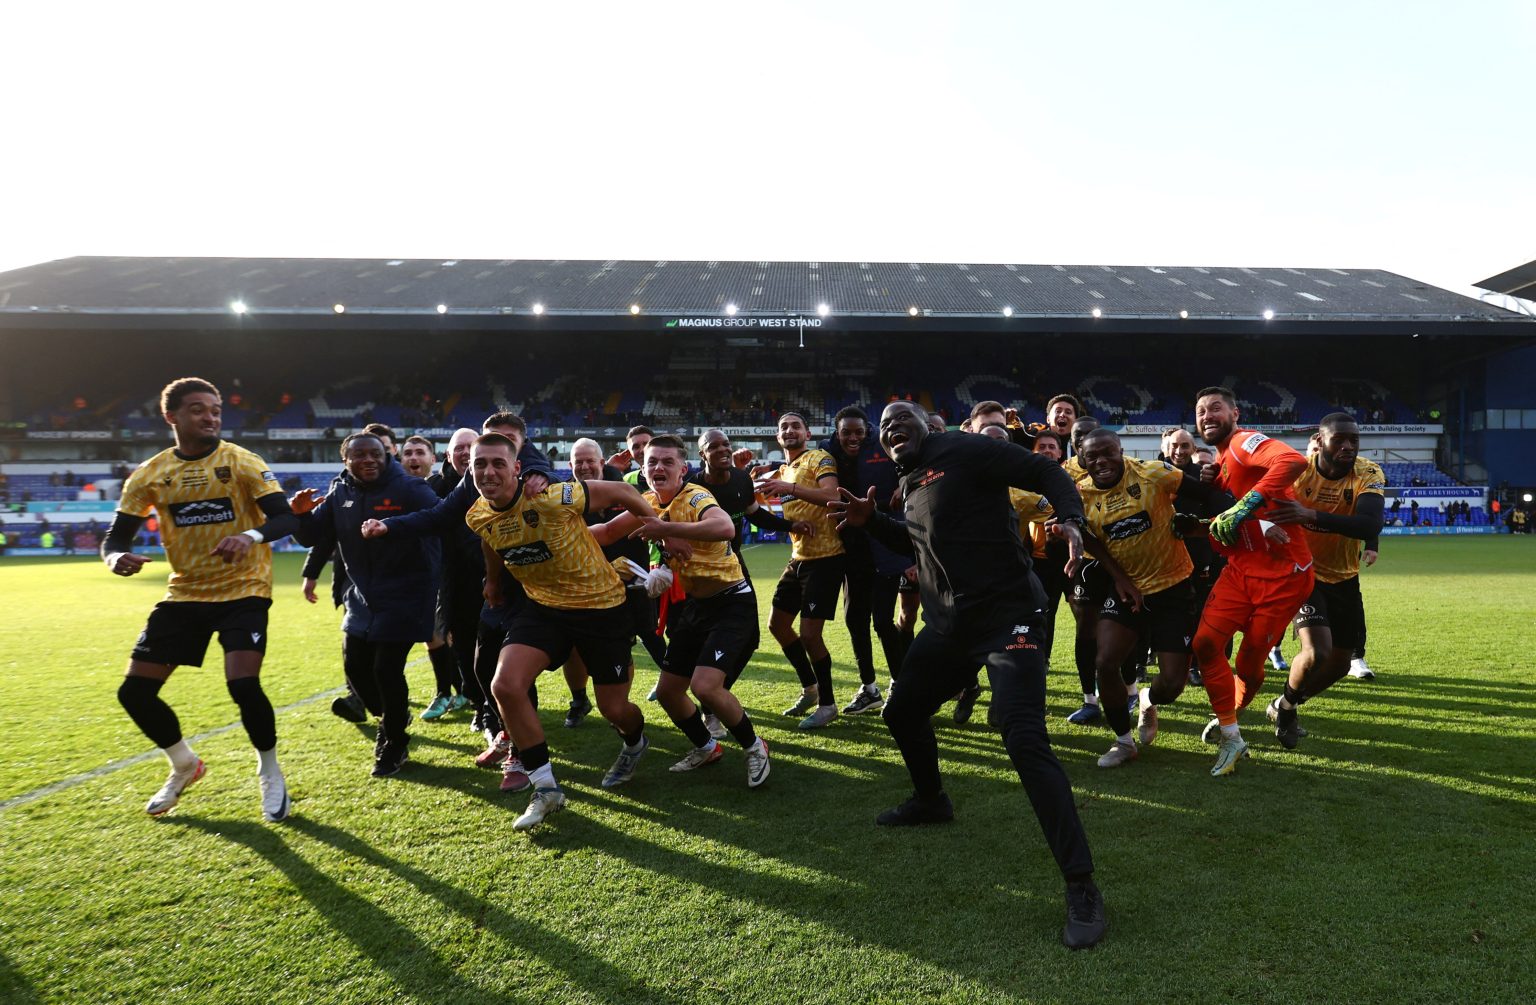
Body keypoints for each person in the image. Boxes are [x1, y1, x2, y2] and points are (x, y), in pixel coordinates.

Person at [831, 400, 1105, 950]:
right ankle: (931, 800)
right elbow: (920, 542)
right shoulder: (908, 481)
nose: (890, 429)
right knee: (902, 710)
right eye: (885, 428)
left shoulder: (962, 448)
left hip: (1010, 615)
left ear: (926, 425)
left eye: (899, 419)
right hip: (952, 624)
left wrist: (1071, 521)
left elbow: (1045, 471)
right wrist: (872, 522)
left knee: (1023, 738)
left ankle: (1081, 885)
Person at [101, 377, 298, 821]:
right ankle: (184, 764)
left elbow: (286, 519)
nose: (209, 417)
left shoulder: (242, 461)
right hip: (185, 592)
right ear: (171, 417)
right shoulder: (149, 475)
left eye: (215, 409)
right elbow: (115, 538)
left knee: (243, 683)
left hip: (244, 587)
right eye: (197, 409)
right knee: (134, 693)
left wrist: (248, 535)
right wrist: (115, 557)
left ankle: (269, 771)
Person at [467, 433, 664, 830]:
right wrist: (492, 580)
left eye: (497, 463)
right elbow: (490, 539)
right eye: (480, 464)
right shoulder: (476, 514)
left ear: (517, 469)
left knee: (615, 709)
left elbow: (626, 490)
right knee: (505, 685)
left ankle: (634, 741)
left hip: (602, 608)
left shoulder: (554, 496)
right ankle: (546, 789)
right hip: (543, 608)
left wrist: (661, 530)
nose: (488, 472)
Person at [593, 436, 771, 786]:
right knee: (670, 691)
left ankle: (755, 747)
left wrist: (665, 528)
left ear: (683, 469)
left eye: (667, 462)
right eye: (652, 461)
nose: (658, 467)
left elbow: (725, 527)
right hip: (697, 606)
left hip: (732, 601)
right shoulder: (646, 502)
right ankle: (706, 747)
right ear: (643, 470)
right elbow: (607, 531)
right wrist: (560, 532)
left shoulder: (696, 495)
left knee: (706, 687)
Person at [1071, 428, 1232, 766]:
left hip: (1174, 587)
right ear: (1081, 459)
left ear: (1121, 450)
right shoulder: (1079, 494)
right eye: (1092, 456)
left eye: (1107, 452)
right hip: (1127, 590)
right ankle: (1123, 742)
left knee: (1172, 685)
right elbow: (1090, 540)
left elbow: (1209, 495)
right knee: (1106, 661)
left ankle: (1146, 698)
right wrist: (1120, 579)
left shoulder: (1154, 474)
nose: (1100, 461)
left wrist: (1216, 522)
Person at [292, 433, 441, 776]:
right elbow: (314, 536)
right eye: (359, 455)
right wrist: (300, 516)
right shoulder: (340, 490)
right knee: (356, 669)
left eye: (375, 454)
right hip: (361, 596)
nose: (369, 460)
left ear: (387, 455)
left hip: (406, 593)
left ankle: (394, 744)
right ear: (346, 460)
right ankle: (392, 717)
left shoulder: (407, 487)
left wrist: (391, 527)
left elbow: (439, 518)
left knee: (386, 671)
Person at [1191, 386, 1314, 776]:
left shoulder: (1244, 442)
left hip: (1283, 575)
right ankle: (1231, 733)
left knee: (1248, 662)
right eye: (1200, 412)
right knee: (1206, 643)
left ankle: (1234, 713)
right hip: (1242, 568)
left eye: (1215, 408)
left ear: (1235, 413)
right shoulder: (1223, 460)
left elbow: (1293, 460)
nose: (1207, 416)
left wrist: (1248, 504)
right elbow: (1229, 514)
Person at [1266, 414, 1385, 747]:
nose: (1347, 446)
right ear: (1320, 441)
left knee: (1339, 664)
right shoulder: (1295, 471)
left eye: (1353, 440)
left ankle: (1284, 705)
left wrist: (1311, 516)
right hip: (1301, 573)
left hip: (1344, 577)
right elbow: (1258, 506)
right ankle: (1286, 711)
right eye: (1339, 439)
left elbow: (1368, 525)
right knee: (1317, 651)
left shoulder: (1369, 473)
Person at [757, 411, 846, 729]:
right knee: (777, 625)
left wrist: (789, 488)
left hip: (826, 558)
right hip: (798, 558)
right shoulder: (784, 469)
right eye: (784, 427)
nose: (789, 430)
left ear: (807, 433)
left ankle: (828, 705)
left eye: (796, 425)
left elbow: (833, 496)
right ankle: (810, 688)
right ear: (778, 437)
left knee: (810, 635)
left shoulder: (819, 458)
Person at [823, 406, 904, 715]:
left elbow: (912, 463)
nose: (853, 437)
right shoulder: (826, 455)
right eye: (847, 432)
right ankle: (869, 688)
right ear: (837, 432)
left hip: (884, 542)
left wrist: (903, 483)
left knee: (883, 620)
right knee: (854, 619)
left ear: (867, 430)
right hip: (851, 547)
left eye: (859, 432)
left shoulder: (884, 446)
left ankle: (899, 684)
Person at [398, 434, 470, 721]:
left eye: (420, 453)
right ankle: (450, 691)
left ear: (433, 458)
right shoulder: (413, 490)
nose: (414, 459)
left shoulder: (442, 489)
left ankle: (468, 693)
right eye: (408, 453)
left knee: (454, 635)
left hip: (464, 573)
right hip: (425, 575)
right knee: (435, 633)